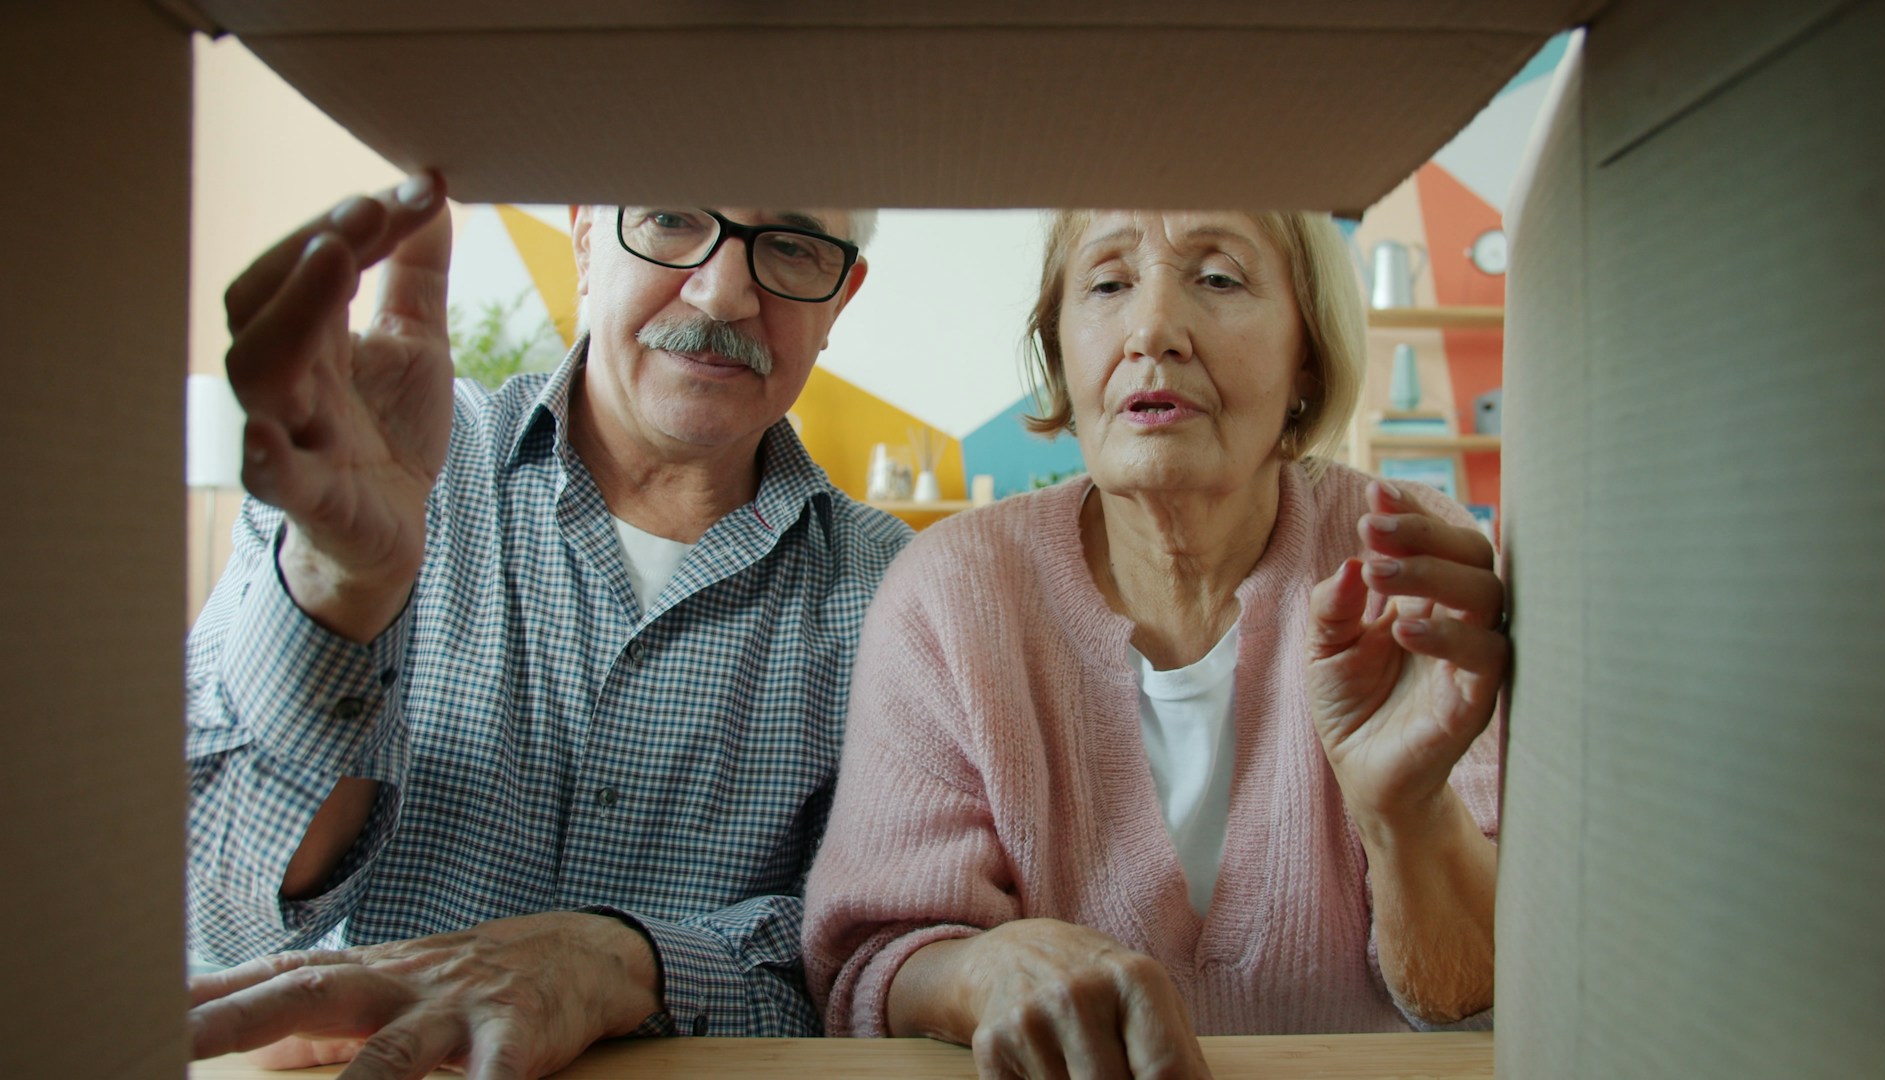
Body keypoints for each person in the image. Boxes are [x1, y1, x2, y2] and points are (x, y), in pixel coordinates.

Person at [185, 174, 913, 1077]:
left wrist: (615, 961)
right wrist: (342, 586)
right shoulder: (373, 460)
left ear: (841, 297)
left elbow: (866, 964)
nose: (724, 291)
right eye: (672, 217)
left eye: (795, 245)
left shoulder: (897, 592)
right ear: (583, 239)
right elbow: (213, 910)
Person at [803, 209, 1506, 1077]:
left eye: (1218, 278)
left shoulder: (1403, 557)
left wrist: (1408, 813)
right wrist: (985, 971)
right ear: (1060, 352)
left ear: (1308, 359)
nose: (1153, 331)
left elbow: (1472, 991)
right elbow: (873, 961)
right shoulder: (952, 590)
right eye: (1107, 284)